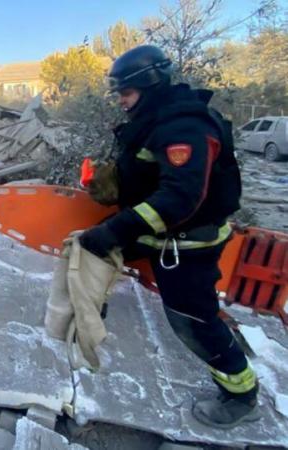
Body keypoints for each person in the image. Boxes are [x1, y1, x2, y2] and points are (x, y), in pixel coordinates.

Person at [79, 45, 258, 429]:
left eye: (126, 93)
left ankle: (241, 393)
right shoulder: (154, 118)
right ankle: (91, 312)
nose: (121, 101)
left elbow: (179, 197)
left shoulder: (184, 127)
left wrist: (116, 228)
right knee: (92, 249)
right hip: (157, 231)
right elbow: (149, 173)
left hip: (187, 242)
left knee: (191, 321)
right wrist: (114, 182)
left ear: (150, 84)